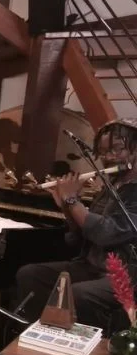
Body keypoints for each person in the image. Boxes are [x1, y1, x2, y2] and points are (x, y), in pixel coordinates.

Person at [16, 118, 137, 332]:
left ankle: (88, 353)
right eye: (104, 152)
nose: (109, 158)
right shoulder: (111, 186)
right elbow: (79, 238)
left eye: (118, 150)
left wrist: (73, 201)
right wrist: (66, 206)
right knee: (30, 275)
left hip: (128, 274)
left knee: (79, 294)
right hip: (92, 266)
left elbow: (107, 234)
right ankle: (39, 336)